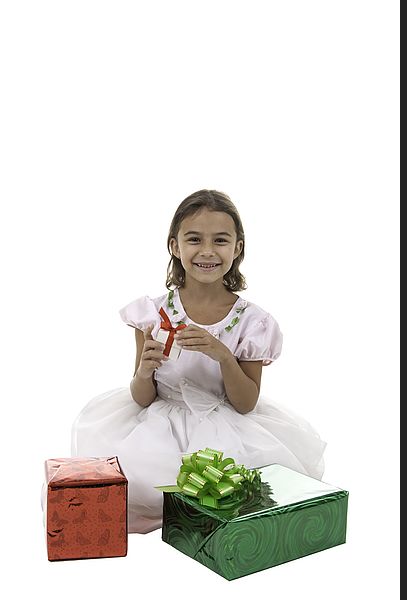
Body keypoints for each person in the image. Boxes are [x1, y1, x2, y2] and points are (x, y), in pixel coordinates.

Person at [71, 189, 326, 534]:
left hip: (226, 424)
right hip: (161, 423)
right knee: (144, 475)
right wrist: (145, 371)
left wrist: (222, 355)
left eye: (220, 240)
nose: (207, 251)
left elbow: (246, 403)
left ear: (237, 248)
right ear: (175, 246)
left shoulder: (253, 322)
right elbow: (143, 397)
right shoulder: (153, 313)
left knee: (237, 484)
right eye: (194, 239)